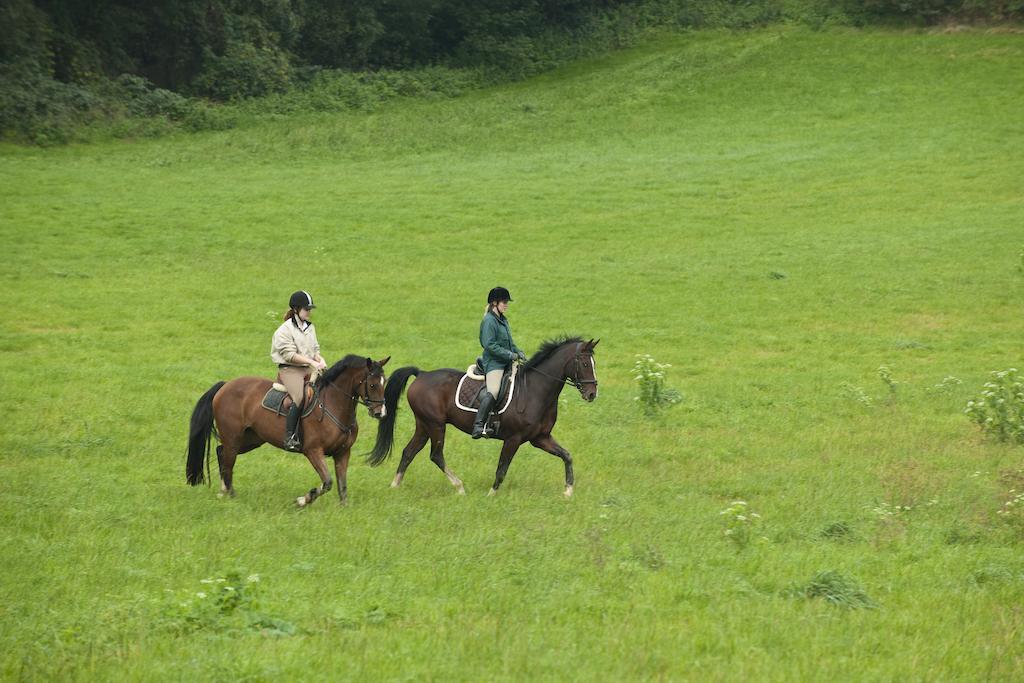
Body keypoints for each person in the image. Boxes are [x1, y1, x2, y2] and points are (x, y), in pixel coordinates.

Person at [271, 290, 328, 451]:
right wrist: (311, 361)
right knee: (299, 396)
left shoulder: (310, 327)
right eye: (306, 309)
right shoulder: (284, 330)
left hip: (308, 368)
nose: (309, 312)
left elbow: (315, 349)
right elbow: (289, 355)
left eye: (310, 309)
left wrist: (319, 359)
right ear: (296, 309)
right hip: (290, 370)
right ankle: (290, 437)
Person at [473, 286, 526, 439]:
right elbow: (489, 345)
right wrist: (510, 354)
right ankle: (478, 426)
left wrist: (518, 351)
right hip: (494, 363)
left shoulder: (503, 320)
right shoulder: (489, 321)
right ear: (494, 303)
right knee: (494, 391)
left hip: (506, 361)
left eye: (506, 302)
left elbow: (509, 343)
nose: (506, 304)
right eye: (504, 302)